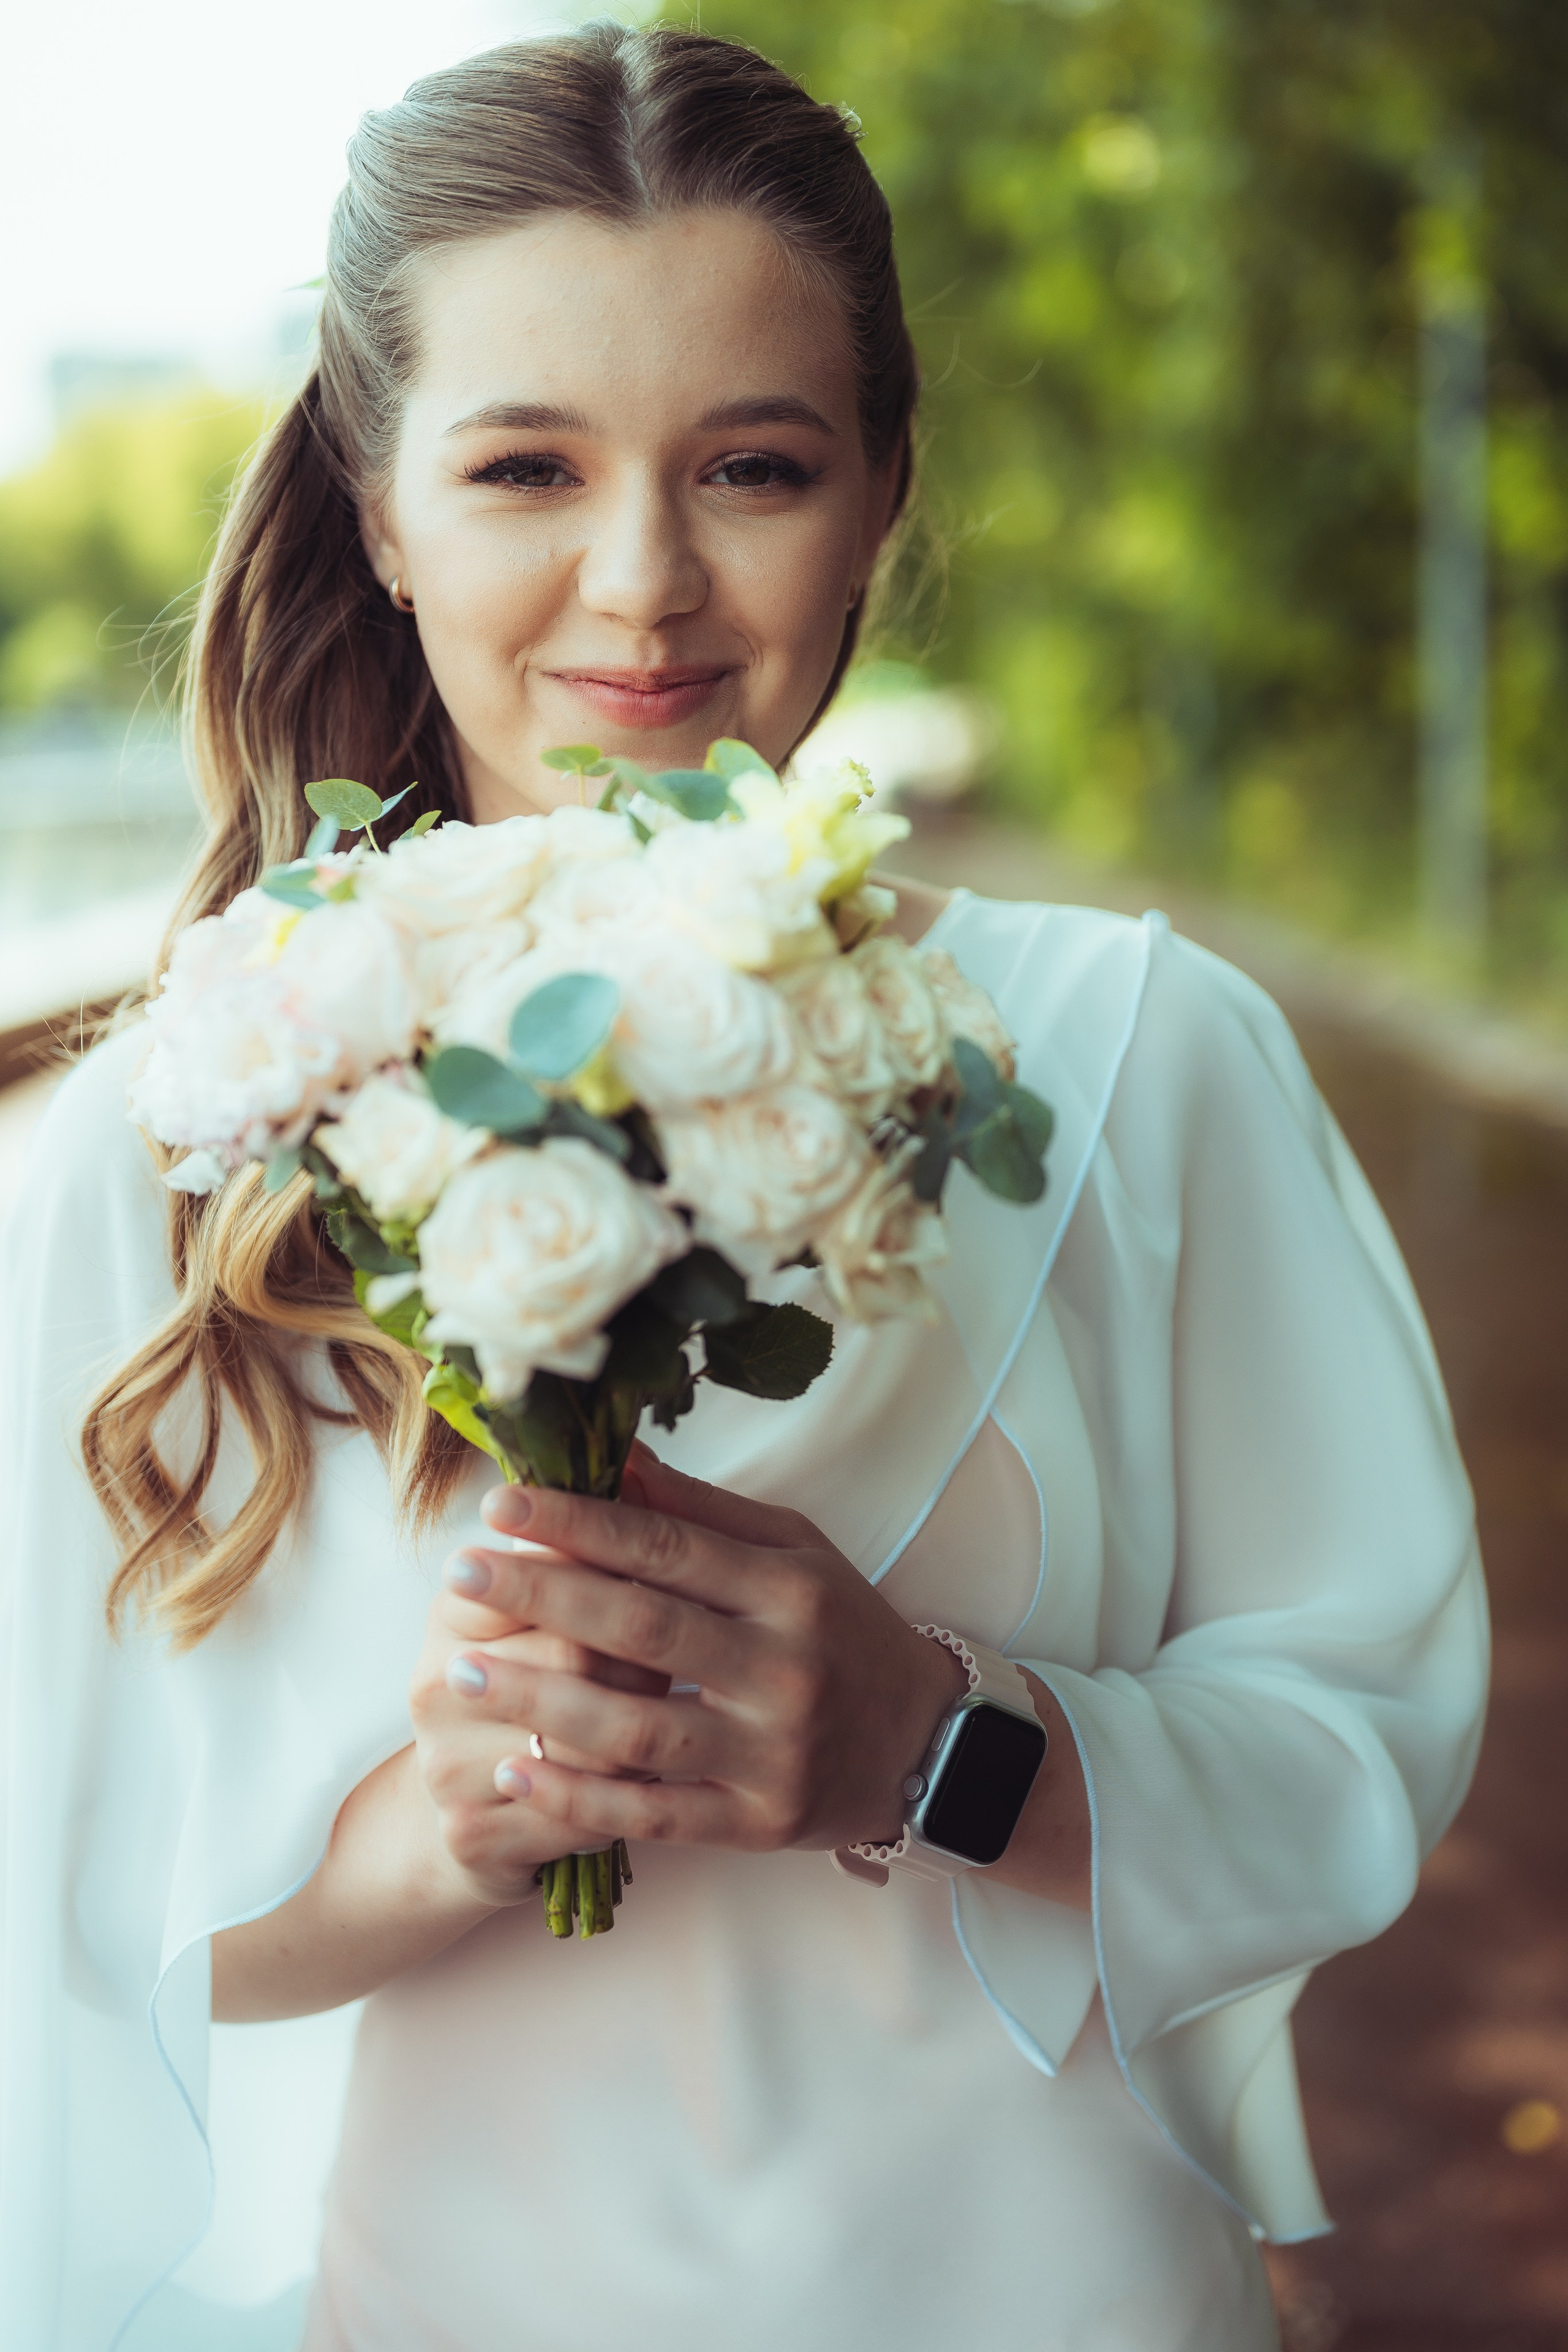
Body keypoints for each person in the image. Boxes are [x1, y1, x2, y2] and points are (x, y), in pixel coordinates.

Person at [0, 24, 1487, 2352]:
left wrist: (947, 1742)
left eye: (754, 465)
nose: (642, 587)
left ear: (885, 484)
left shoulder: (1132, 1058)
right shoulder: (174, 1127)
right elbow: (49, 1925)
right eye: (523, 467)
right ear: (379, 508)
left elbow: (1361, 1756)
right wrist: (437, 1831)